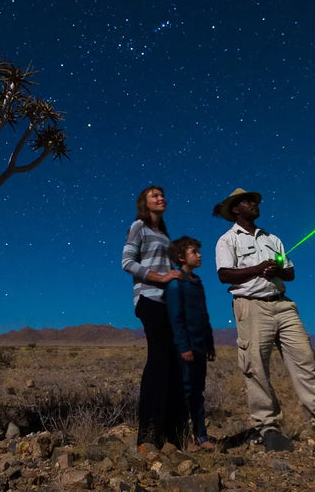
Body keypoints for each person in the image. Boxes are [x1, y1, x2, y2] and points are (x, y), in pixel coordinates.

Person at [213, 188, 315, 452]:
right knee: (256, 367)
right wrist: (257, 269)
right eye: (247, 201)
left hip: (283, 305)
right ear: (236, 209)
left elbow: (291, 272)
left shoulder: (273, 238)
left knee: (305, 361)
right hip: (251, 307)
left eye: (254, 200)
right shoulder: (227, 240)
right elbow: (224, 275)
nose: (254, 203)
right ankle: (268, 427)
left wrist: (278, 270)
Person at [121, 185, 189, 449]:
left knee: (173, 363)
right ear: (144, 203)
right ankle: (149, 434)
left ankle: (173, 433)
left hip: (167, 302)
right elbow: (126, 262)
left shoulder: (164, 233)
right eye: (154, 195)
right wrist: (160, 277)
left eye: (162, 194)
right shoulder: (138, 226)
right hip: (148, 299)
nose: (161, 198)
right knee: (159, 360)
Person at [166, 236, 217, 451]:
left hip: (199, 346)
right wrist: (183, 345)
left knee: (197, 392)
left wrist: (209, 344)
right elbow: (175, 317)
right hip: (185, 348)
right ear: (181, 257)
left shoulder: (197, 283)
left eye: (198, 251)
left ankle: (202, 437)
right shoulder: (176, 284)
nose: (199, 255)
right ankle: (183, 437)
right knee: (184, 393)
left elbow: (204, 316)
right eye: (194, 252)